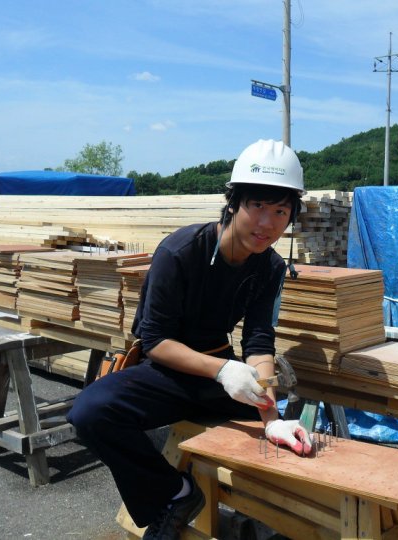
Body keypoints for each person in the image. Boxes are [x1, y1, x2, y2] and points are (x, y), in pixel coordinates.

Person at [68, 139, 313, 539]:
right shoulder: (180, 251)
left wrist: (271, 417)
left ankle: (287, 521)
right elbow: (155, 340)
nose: (267, 223)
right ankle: (175, 494)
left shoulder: (270, 267)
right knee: (90, 412)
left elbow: (258, 340)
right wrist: (223, 371)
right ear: (234, 203)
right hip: (167, 372)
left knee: (288, 438)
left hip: (218, 373)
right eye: (257, 206)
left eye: (280, 211)